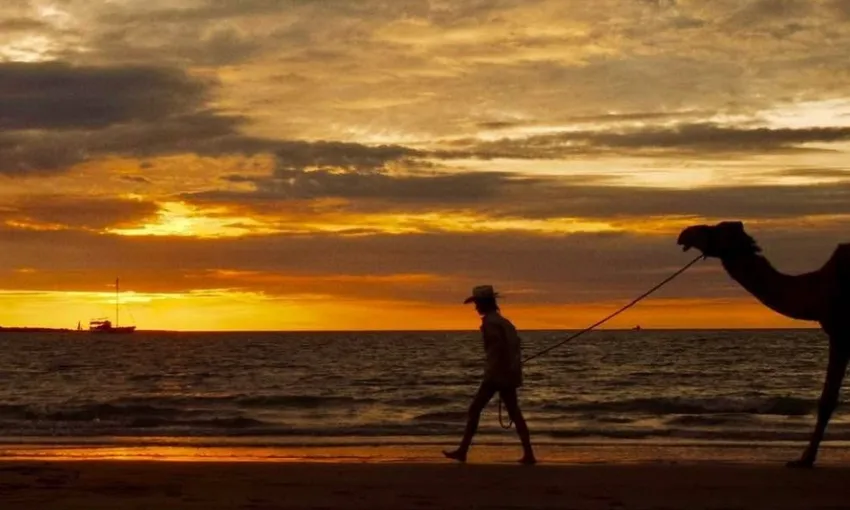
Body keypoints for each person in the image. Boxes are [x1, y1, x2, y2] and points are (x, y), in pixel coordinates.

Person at [443, 285, 536, 464]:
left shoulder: (490, 324)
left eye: (477, 303)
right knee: (515, 413)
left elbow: (500, 348)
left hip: (496, 375)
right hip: (506, 373)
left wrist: (501, 369)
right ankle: (529, 453)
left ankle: (462, 451)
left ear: (485, 303)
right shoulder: (504, 322)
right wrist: (512, 367)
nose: (476, 307)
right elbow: (514, 346)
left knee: (475, 409)